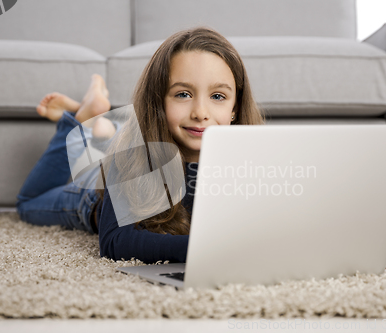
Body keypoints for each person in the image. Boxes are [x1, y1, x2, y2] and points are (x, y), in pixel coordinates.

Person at [16, 26, 264, 264]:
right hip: (93, 196)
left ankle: (102, 127)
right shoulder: (130, 154)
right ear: (158, 100)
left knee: (113, 141)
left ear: (235, 108)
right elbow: (114, 241)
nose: (201, 113)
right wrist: (201, 248)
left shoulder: (252, 162)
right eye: (183, 94)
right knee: (28, 203)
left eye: (218, 97)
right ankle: (80, 121)